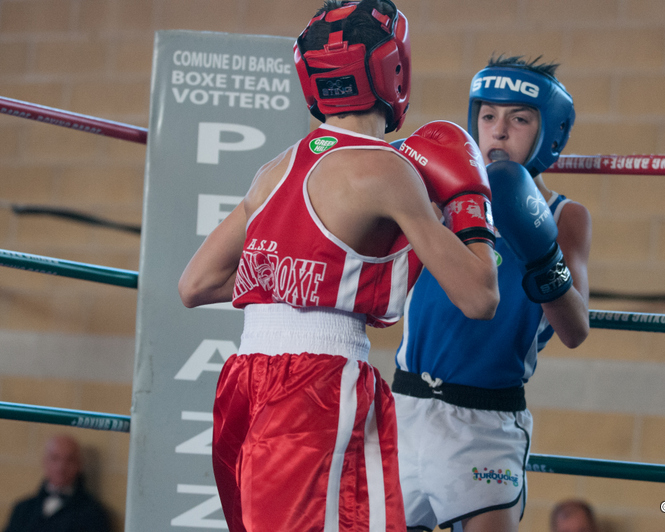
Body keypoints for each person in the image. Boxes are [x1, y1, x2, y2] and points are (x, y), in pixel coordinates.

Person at [178, 1, 499, 530]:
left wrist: (299, 275)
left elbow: (196, 284)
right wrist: (470, 204)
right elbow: (479, 296)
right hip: (318, 386)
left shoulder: (275, 168)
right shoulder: (387, 169)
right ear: (393, 68)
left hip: (242, 382)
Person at [392, 55, 592, 532]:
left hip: (487, 420)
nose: (499, 131)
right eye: (488, 116)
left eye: (519, 119)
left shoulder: (566, 216)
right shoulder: (434, 195)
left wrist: (541, 253)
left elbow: (576, 330)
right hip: (405, 407)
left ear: (551, 134)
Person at [3, 434, 111, 532]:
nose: (61, 467)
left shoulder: (93, 514)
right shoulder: (23, 509)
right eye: (55, 458)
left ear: (79, 465)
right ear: (45, 461)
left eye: (69, 460)